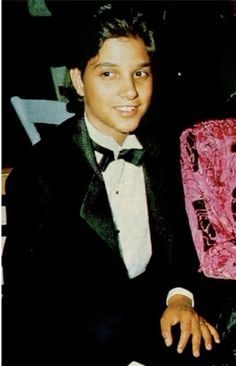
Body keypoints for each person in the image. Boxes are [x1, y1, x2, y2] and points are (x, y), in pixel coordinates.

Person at [2, 3, 220, 366]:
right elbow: (30, 303)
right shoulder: (39, 173)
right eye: (108, 74)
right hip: (76, 345)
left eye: (140, 74)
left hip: (155, 328)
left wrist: (180, 298)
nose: (130, 92)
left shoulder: (166, 153)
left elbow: (181, 251)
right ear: (77, 80)